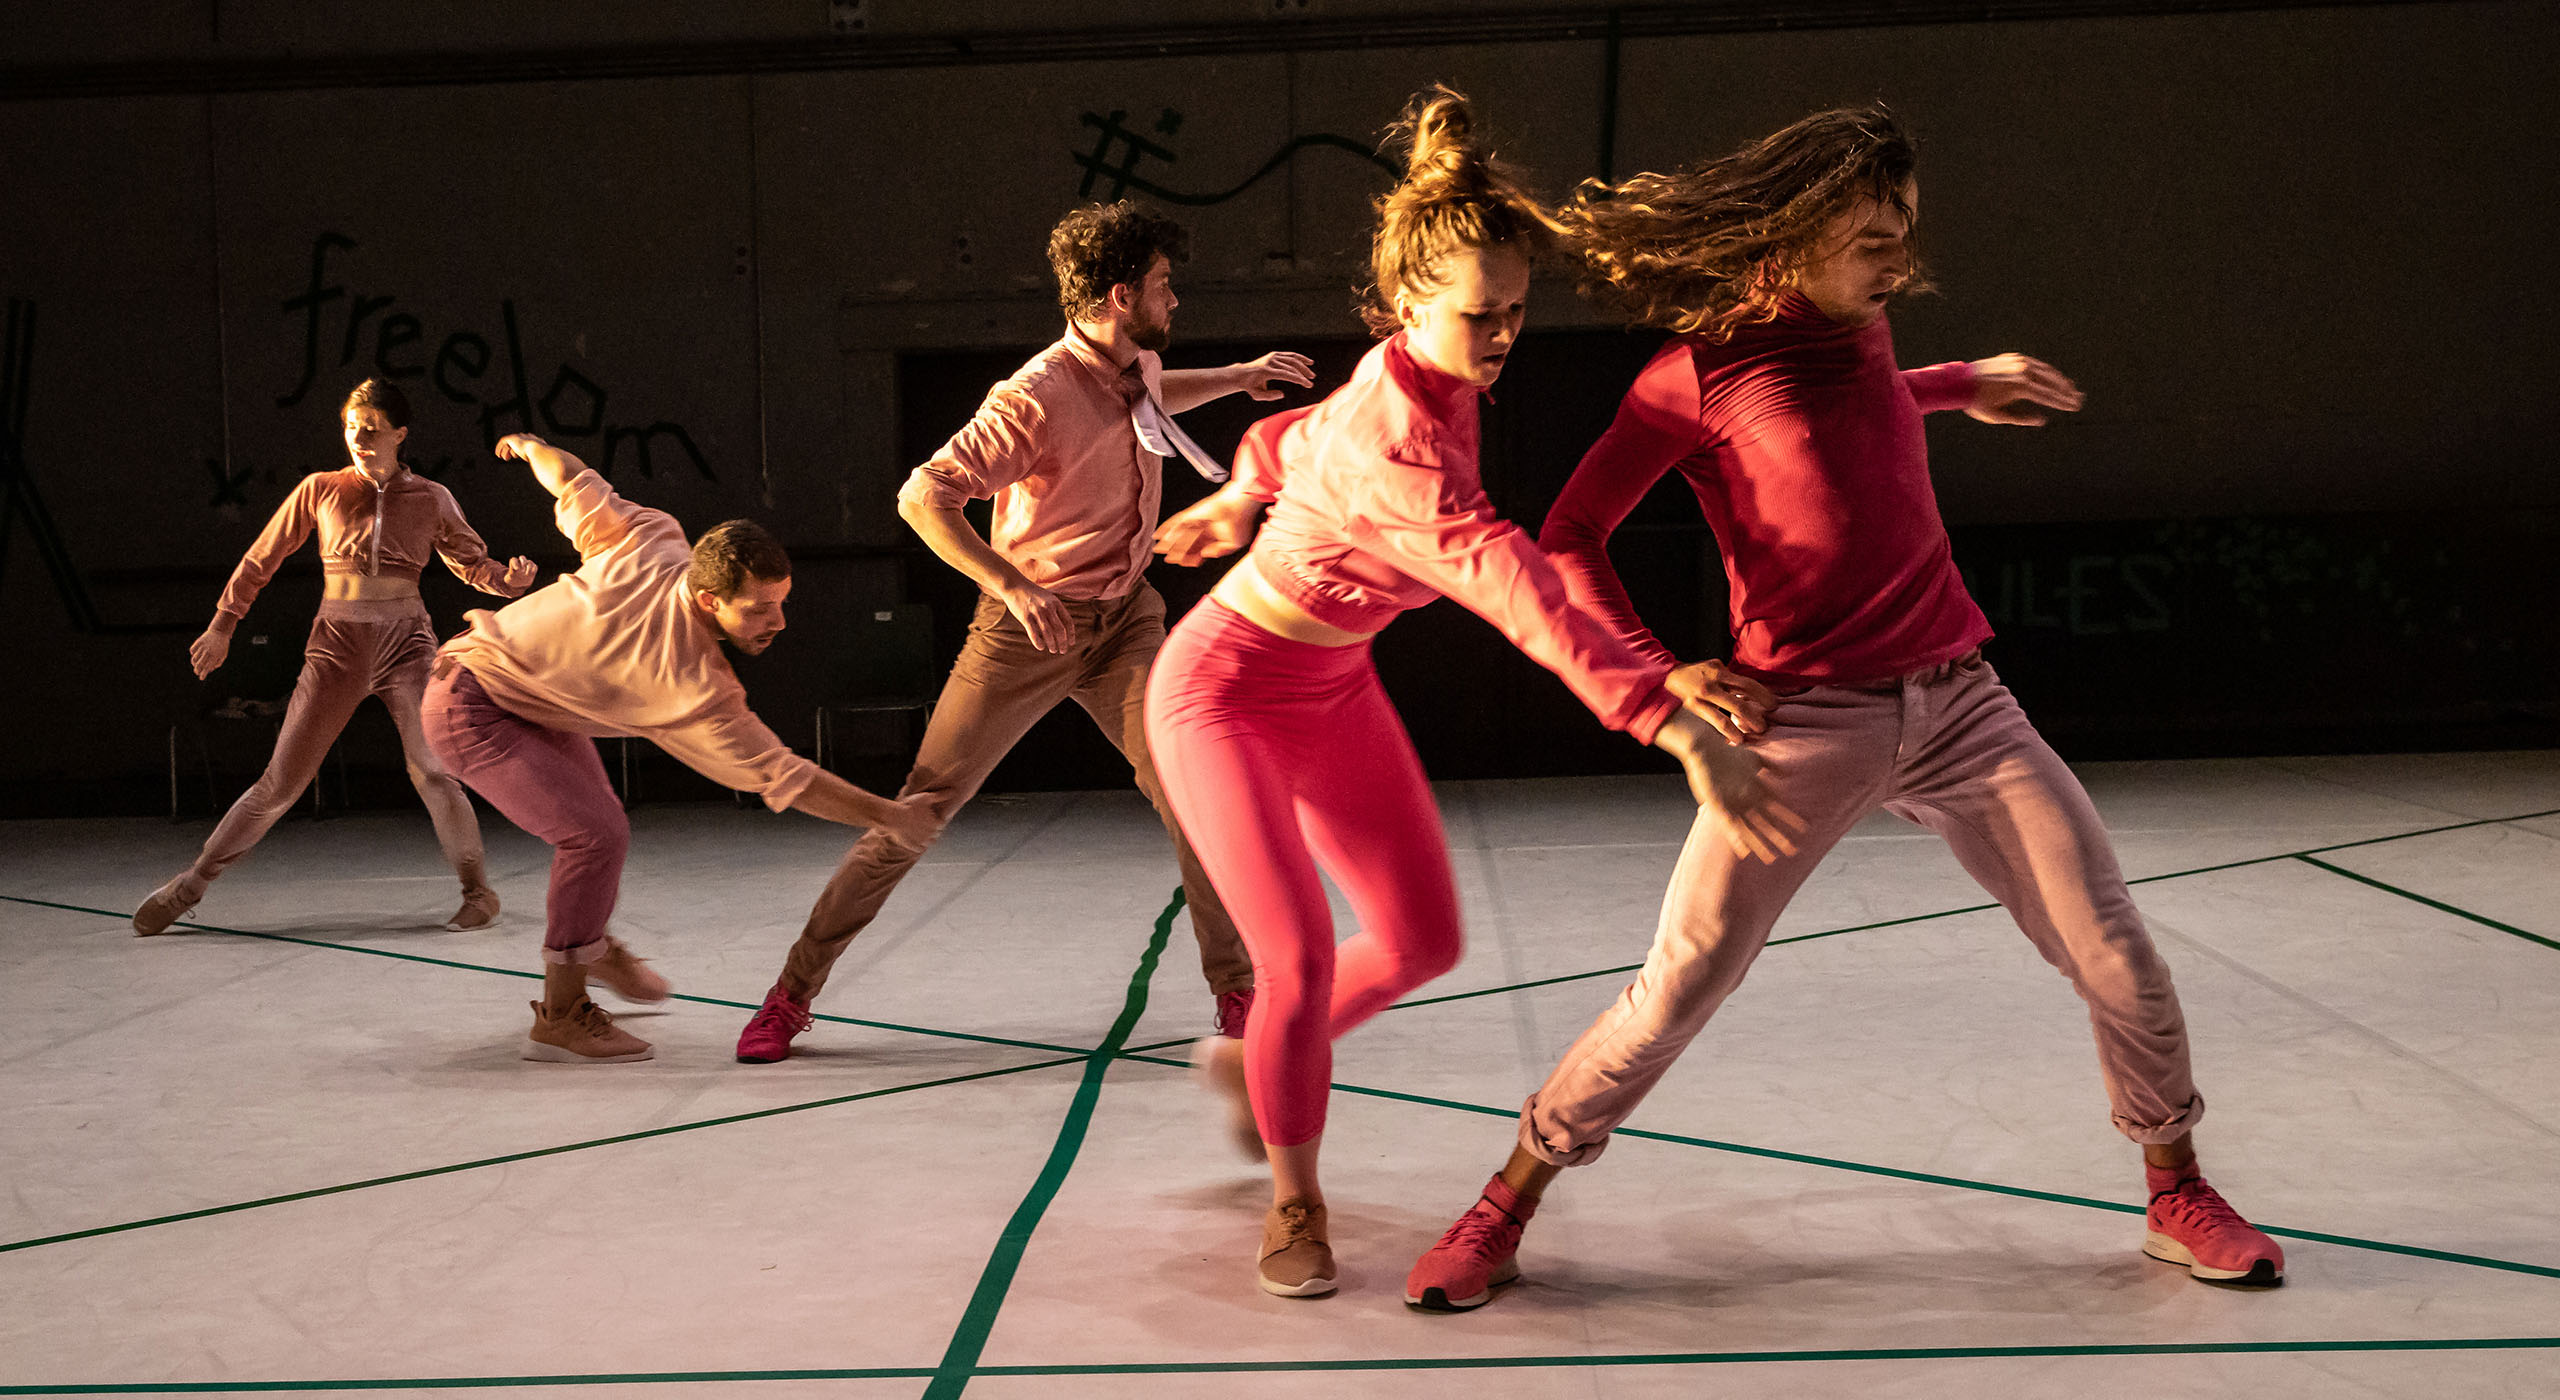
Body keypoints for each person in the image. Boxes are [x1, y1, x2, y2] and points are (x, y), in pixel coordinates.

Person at [1403, 104, 2283, 1312]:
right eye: (1874, 234)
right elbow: (1571, 532)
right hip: (1800, 723)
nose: (1898, 258)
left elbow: (1850, 406)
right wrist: (1664, 670)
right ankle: (1508, 1198)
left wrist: (1962, 382)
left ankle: (2176, 1187)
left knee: (2114, 948)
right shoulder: (1696, 370)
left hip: (1961, 702)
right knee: (1680, 982)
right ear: (1796, 229)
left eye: (1905, 229)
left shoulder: (1865, 331)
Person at [1143, 88, 1795, 1299]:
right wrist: (1660, 715)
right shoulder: (1404, 447)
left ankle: (1258, 1063)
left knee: (1421, 938)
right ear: (1406, 305)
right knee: (1288, 958)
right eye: (1478, 315)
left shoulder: (1407, 378)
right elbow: (1519, 585)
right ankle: (1295, 1199)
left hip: (1330, 687)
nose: (1500, 336)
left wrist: (1240, 493)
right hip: (1221, 689)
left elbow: (1290, 436)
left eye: (1515, 314)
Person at [732, 201, 1316, 1064]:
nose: (1175, 300)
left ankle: (1236, 992)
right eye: (1164, 285)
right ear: (1122, 293)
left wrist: (1237, 376)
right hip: (1027, 629)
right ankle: (790, 995)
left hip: (1126, 621)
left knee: (1197, 793)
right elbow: (921, 496)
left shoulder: (1136, 362)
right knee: (918, 811)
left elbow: (1153, 398)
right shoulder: (1034, 396)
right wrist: (1009, 584)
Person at [420, 433, 934, 1064]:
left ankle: (588, 948)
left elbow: (574, 479)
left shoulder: (654, 540)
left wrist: (533, 448)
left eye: (782, 602)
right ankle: (561, 1015)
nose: (778, 621)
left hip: (531, 701)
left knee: (600, 834)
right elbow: (786, 777)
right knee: (595, 836)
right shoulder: (690, 682)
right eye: (760, 609)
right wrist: (891, 817)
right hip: (468, 705)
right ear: (709, 598)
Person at [134, 379, 535, 937]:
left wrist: (506, 582)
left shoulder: (431, 497)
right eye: (351, 428)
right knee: (280, 783)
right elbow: (262, 557)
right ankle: (191, 884)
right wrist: (223, 625)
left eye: (372, 429)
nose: (360, 438)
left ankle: (478, 891)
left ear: (400, 433)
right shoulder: (320, 489)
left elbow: (472, 562)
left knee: (434, 771)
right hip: (337, 646)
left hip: (407, 645)